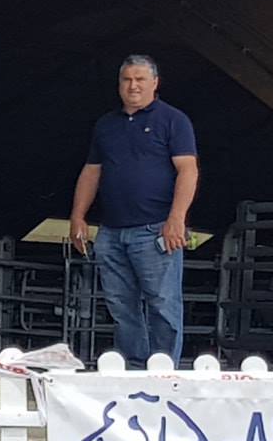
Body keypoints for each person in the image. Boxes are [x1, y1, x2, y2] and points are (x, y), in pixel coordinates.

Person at [69, 54, 200, 367]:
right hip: (111, 230)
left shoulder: (173, 120)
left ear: (155, 83)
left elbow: (188, 169)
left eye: (140, 79)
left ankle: (164, 369)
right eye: (127, 80)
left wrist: (176, 219)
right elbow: (92, 171)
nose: (133, 86)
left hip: (155, 228)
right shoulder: (106, 124)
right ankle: (134, 367)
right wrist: (77, 216)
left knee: (163, 303)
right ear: (119, 84)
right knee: (120, 304)